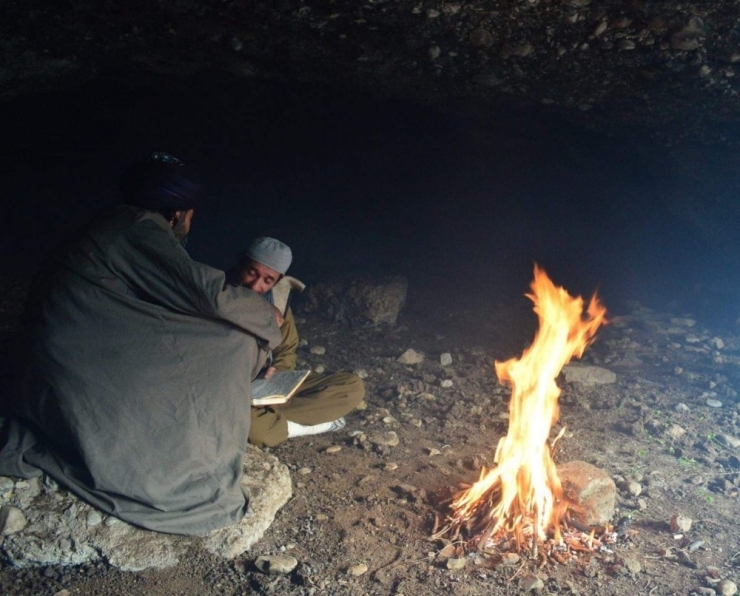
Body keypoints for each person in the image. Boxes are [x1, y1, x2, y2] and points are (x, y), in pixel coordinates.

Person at [0, 153, 283, 536]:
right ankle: (194, 451)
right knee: (234, 339)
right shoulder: (136, 227)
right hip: (74, 362)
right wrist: (266, 318)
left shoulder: (112, 224)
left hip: (60, 354)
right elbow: (206, 293)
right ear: (179, 213)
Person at [227, 237, 365, 447]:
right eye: (251, 273)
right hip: (229, 388)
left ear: (277, 280)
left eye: (267, 280)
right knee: (256, 430)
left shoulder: (278, 304)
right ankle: (306, 426)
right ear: (240, 264)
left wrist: (279, 369)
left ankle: (265, 418)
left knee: (352, 387)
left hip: (262, 386)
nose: (256, 286)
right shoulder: (216, 291)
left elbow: (287, 348)